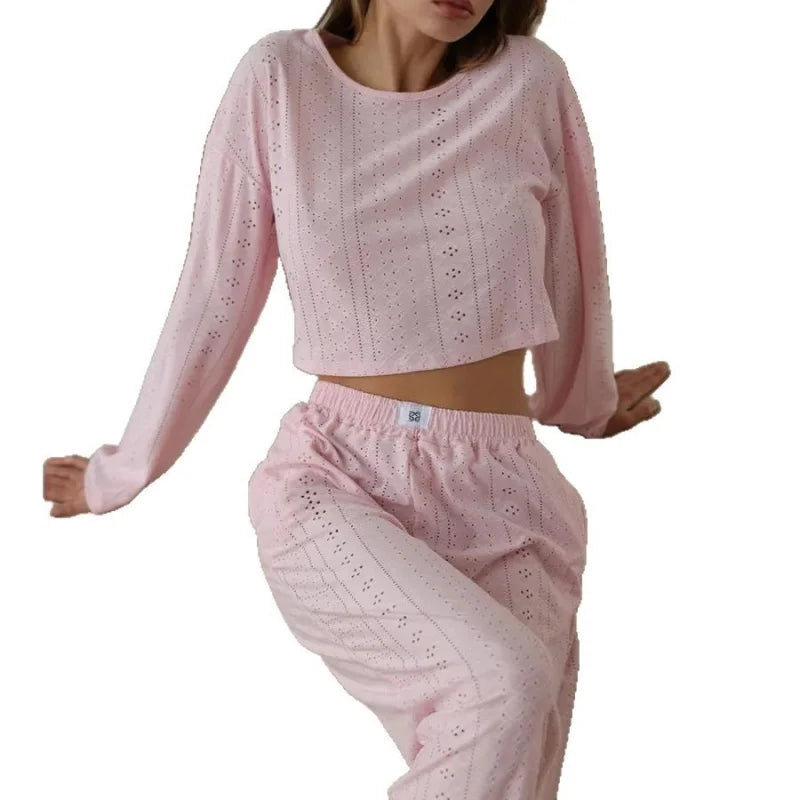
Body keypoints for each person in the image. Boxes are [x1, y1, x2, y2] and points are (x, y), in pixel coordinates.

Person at [42, 0, 670, 796]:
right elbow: (212, 296)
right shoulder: (280, 80)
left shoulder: (531, 83)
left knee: (518, 769)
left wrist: (585, 400)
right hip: (339, 476)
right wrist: (119, 472)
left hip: (511, 494)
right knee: (503, 688)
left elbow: (572, 269)